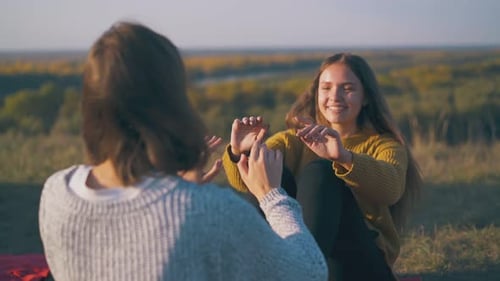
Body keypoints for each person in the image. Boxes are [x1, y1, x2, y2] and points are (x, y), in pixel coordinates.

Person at [38, 21, 328, 281]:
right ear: (171, 101)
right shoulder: (209, 210)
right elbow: (309, 272)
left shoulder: (56, 193)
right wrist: (272, 195)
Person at [223, 53, 423, 281]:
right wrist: (243, 152)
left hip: (359, 267)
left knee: (321, 172)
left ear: (366, 97)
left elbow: (391, 189)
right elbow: (245, 183)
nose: (335, 96)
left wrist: (344, 157)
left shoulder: (384, 144)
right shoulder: (293, 140)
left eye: (347, 88)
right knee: (273, 179)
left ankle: (300, 273)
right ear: (316, 93)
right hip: (303, 264)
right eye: (326, 88)